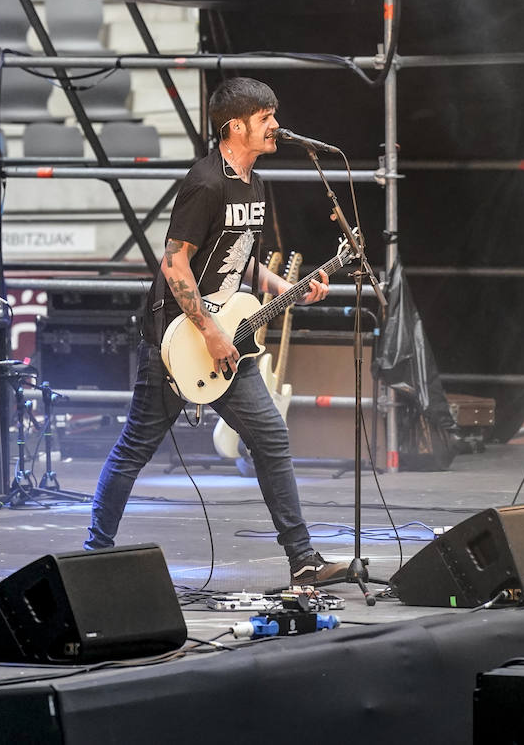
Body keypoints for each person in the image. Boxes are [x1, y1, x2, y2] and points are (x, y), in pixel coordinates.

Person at [84, 76, 350, 586]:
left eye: (274, 114)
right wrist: (206, 330)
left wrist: (287, 286)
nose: (275, 125)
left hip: (226, 336)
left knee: (270, 438)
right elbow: (174, 263)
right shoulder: (205, 183)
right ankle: (93, 554)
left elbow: (240, 261)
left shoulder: (255, 183)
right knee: (135, 448)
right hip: (177, 339)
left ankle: (304, 561)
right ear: (235, 127)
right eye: (265, 117)